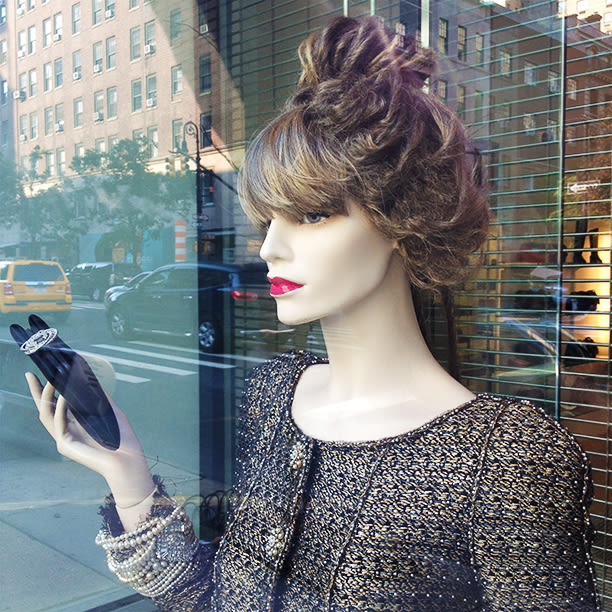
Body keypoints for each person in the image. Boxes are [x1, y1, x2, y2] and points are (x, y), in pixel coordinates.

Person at [26, 16, 600, 611]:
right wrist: (128, 472)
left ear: (405, 216)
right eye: (270, 218)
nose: (270, 246)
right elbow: (216, 599)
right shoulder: (278, 394)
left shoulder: (508, 459)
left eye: (315, 214)